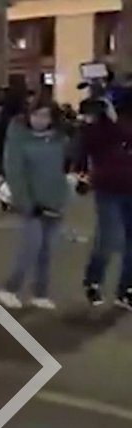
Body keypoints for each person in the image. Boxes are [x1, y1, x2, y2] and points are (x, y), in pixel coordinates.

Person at [0, 98, 70, 310]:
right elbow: (15, 172)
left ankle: (40, 293)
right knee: (31, 247)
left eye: (45, 115)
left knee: (46, 250)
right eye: (36, 114)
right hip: (31, 203)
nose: (40, 120)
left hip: (54, 201)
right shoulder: (18, 138)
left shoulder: (59, 139)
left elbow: (63, 168)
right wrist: (26, 203)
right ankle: (9, 288)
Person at [76, 90, 132, 309]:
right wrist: (110, 119)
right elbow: (88, 144)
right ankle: (94, 280)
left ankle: (126, 288)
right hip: (108, 187)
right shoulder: (102, 128)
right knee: (109, 238)